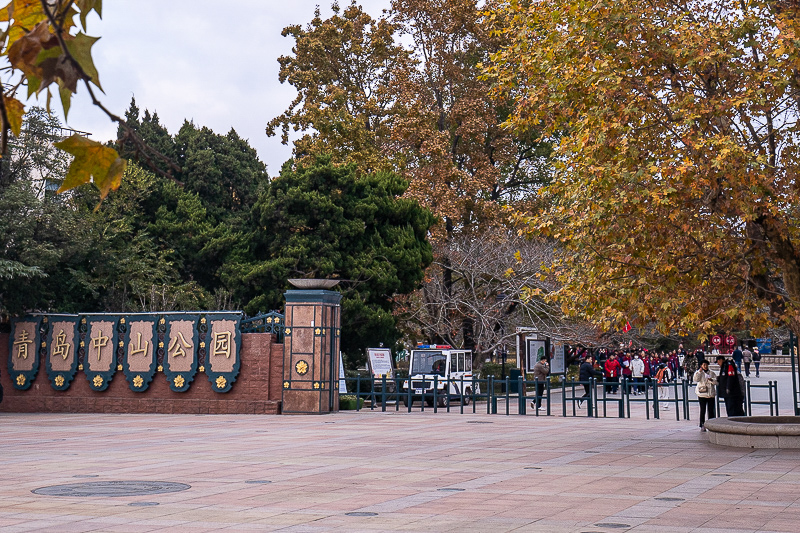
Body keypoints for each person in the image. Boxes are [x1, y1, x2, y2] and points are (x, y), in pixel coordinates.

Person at [693, 360, 717, 430]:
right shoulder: (699, 373)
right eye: (703, 365)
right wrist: (699, 372)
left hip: (710, 393)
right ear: (701, 365)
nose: (705, 366)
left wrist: (711, 380)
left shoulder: (712, 373)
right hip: (702, 393)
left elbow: (716, 382)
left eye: (706, 365)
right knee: (702, 410)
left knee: (711, 410)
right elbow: (696, 379)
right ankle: (702, 423)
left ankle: (711, 424)